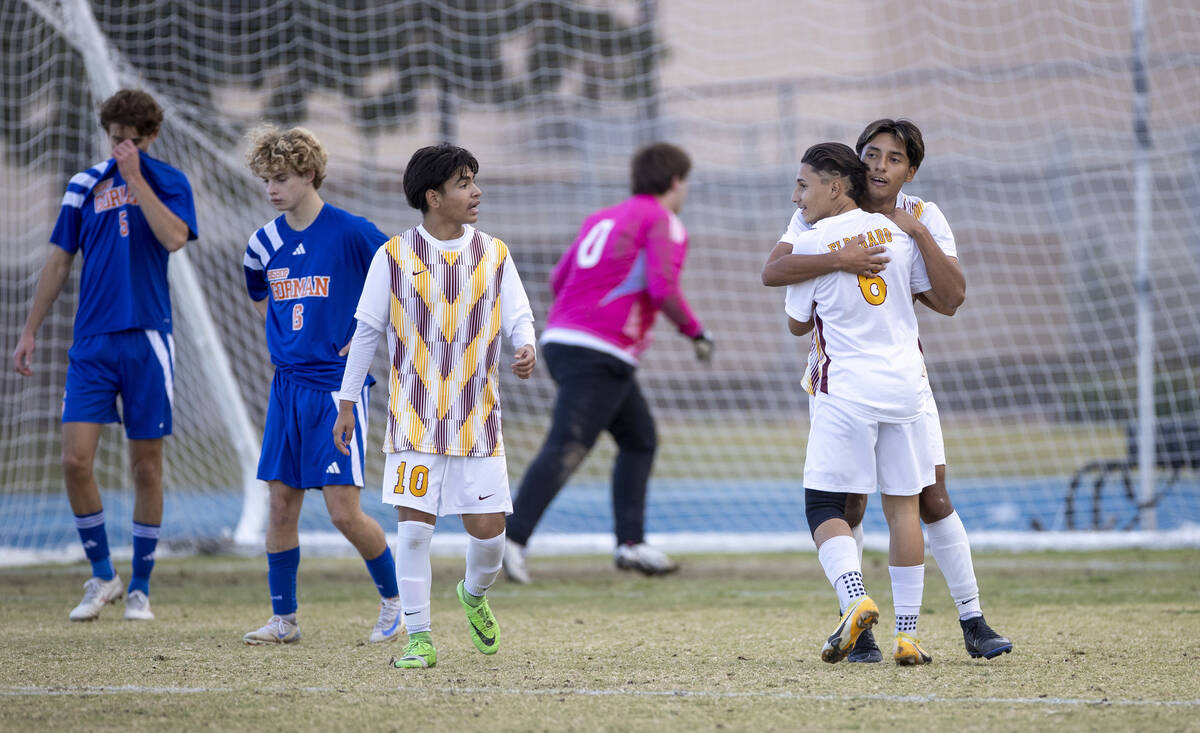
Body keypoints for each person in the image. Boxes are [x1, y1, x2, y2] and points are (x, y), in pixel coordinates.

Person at [762, 119, 1012, 662]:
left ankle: (971, 619)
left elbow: (949, 299)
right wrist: (841, 259)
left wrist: (913, 231)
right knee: (854, 503)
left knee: (929, 498)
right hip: (880, 379)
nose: (878, 165)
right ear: (851, 169)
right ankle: (877, 633)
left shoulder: (919, 219)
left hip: (884, 382)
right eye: (870, 154)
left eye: (893, 158)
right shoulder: (818, 209)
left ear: (911, 171)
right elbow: (776, 266)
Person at [333, 143, 536, 669]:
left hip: (477, 418)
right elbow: (367, 331)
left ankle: (472, 594)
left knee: (490, 535)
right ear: (433, 196)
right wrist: (347, 401)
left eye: (474, 180)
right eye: (465, 182)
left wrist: (525, 343)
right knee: (415, 530)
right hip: (413, 418)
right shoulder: (394, 255)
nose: (476, 192)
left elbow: (519, 313)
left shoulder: (494, 252)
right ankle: (419, 640)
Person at [11, 89, 197, 622]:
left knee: (145, 467)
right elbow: (59, 261)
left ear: (150, 138)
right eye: (115, 140)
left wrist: (136, 178)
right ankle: (102, 575)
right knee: (74, 460)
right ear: (106, 134)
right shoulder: (83, 185)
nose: (122, 148)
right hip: (92, 343)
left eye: (132, 141)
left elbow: (175, 238)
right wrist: (30, 332)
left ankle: (140, 586)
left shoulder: (168, 182)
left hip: (147, 340)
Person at [779, 142, 961, 666]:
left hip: (848, 391)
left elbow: (796, 323)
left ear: (835, 187)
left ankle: (855, 597)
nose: (797, 197)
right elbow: (930, 296)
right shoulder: (900, 235)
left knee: (824, 505)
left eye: (803, 186)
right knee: (904, 508)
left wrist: (825, 272)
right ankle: (908, 634)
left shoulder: (811, 245)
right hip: (907, 390)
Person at [501, 142, 713, 584]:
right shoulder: (663, 220)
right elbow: (662, 286)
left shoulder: (601, 217)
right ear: (675, 181)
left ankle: (630, 544)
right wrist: (696, 331)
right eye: (685, 182)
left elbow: (558, 279)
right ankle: (510, 539)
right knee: (568, 445)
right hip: (601, 350)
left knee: (640, 439)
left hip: (564, 340)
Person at [240, 125, 401, 646]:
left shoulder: (352, 232)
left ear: (309, 174)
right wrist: (292, 340)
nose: (272, 190)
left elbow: (401, 277)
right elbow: (262, 296)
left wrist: (363, 333)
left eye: (282, 178)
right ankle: (284, 620)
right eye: (267, 180)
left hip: (337, 390)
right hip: (286, 390)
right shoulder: (261, 245)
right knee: (281, 504)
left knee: (341, 511)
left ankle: (397, 605)